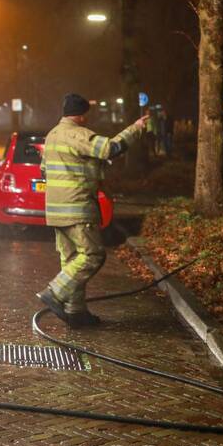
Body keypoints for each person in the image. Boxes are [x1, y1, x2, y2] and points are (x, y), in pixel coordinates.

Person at [36, 94, 149, 327]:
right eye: (86, 114)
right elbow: (111, 148)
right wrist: (136, 129)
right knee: (92, 255)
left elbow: (44, 171)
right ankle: (55, 292)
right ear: (81, 115)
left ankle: (75, 313)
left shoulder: (52, 135)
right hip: (77, 208)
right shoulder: (78, 134)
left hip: (55, 211)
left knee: (71, 262)